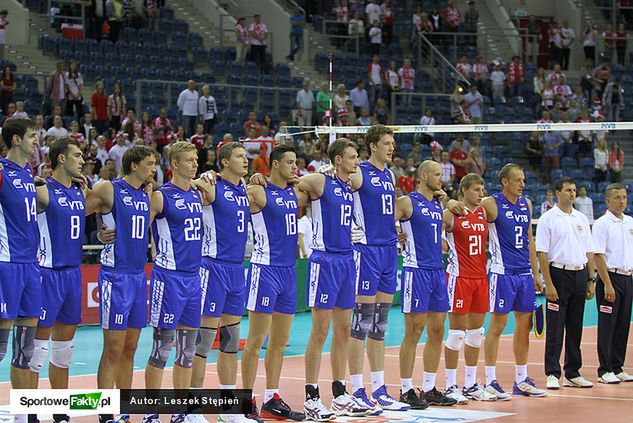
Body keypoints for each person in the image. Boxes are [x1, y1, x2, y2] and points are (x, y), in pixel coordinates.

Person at [447, 163, 547, 399]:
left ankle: (521, 380)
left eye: (523, 179)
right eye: (518, 180)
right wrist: (450, 203)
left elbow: (530, 240)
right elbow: (465, 208)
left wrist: (536, 273)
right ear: (505, 181)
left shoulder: (527, 204)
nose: (522, 184)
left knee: (524, 327)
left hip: (524, 274)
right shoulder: (490, 204)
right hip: (502, 272)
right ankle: (490, 380)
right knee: (497, 326)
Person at [300, 139, 370, 419]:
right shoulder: (321, 180)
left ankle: (340, 394)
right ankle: (311, 396)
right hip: (325, 260)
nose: (357, 161)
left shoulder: (348, 185)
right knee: (320, 332)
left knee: (343, 331)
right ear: (338, 160)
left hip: (347, 260)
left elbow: (364, 175)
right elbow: (295, 180)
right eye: (352, 157)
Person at [85, 146, 155, 423]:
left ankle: (125, 408)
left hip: (139, 275)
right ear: (134, 165)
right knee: (113, 348)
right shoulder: (108, 189)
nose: (153, 167)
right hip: (116, 275)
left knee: (130, 348)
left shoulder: (147, 191)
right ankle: (104, 412)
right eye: (149, 163)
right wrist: (98, 233)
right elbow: (76, 211)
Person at [189, 142, 256, 423]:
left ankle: (229, 410)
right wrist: (202, 177)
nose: (246, 160)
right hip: (212, 268)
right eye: (240, 156)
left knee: (230, 342)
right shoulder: (212, 186)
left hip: (235, 270)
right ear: (224, 162)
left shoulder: (244, 189)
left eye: (246, 156)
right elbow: (185, 188)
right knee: (203, 343)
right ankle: (191, 409)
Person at [345, 125, 410, 413]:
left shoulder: (389, 174)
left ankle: (380, 388)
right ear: (372, 145)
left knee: (380, 324)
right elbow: (331, 185)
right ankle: (357, 388)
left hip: (387, 251)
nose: (391, 147)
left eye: (392, 143)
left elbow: (387, 208)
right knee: (361, 322)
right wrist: (347, 228)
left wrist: (395, 228)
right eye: (386, 143)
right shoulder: (359, 171)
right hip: (367, 252)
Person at [145, 142, 211, 423]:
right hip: (169, 278)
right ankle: (150, 412)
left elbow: (216, 187)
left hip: (193, 278)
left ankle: (180, 412)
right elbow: (140, 226)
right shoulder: (161, 196)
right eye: (189, 161)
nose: (195, 164)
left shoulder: (198, 193)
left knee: (187, 350)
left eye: (196, 159)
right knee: (161, 348)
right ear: (175, 164)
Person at [240, 145, 308, 421]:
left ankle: (271, 398)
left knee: (279, 343)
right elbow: (232, 198)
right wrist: (250, 179)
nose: (295, 167)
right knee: (255, 341)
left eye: (296, 162)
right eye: (290, 163)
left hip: (288, 272)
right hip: (265, 270)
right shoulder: (259, 192)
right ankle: (245, 401)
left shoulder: (296, 191)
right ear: (276, 164)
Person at [28, 138, 87, 423]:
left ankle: (59, 410)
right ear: (61, 159)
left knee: (64, 352)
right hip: (47, 274)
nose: (83, 159)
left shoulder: (79, 191)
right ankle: (29, 412)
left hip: (73, 275)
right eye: (77, 155)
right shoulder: (42, 189)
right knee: (36, 351)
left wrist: (102, 236)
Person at [396, 160, 455, 407]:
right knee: (414, 330)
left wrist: (448, 200)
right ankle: (406, 389)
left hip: (436, 271)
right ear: (422, 175)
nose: (440, 178)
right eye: (436, 174)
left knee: (438, 330)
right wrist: (397, 237)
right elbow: (383, 221)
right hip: (416, 271)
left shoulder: (437, 203)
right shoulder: (408, 201)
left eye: (441, 174)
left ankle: (430, 387)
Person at [536, 177, 595, 390]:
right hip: (558, 275)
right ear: (557, 192)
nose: (572, 193)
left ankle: (573, 372)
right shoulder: (547, 219)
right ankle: (552, 372)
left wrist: (591, 279)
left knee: (575, 327)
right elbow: (542, 253)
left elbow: (589, 251)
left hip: (580, 275)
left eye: (573, 190)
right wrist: (548, 284)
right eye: (568, 190)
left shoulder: (581, 218)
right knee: (555, 326)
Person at [442, 173, 497, 403]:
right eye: (476, 189)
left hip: (480, 278)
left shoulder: (484, 213)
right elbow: (431, 233)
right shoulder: (451, 214)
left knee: (476, 334)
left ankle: (471, 384)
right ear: (464, 190)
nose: (481, 193)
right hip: (459, 277)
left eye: (482, 189)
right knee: (456, 335)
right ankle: (450, 385)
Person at [0, 118, 41, 394]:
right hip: (7, 264)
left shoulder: (28, 170)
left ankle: (22, 414)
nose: (36, 141)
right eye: (31, 136)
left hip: (31, 265)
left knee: (25, 351)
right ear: (16, 140)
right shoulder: (1, 171)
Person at [592, 183, 633, 384]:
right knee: (607, 325)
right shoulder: (602, 224)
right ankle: (604, 369)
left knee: (623, 324)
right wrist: (607, 284)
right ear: (607, 200)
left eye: (624, 197)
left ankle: (617, 366)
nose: (622, 201)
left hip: (627, 277)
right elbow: (598, 256)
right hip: (610, 278)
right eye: (617, 197)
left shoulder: (630, 222)